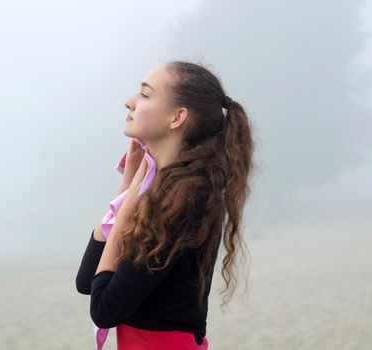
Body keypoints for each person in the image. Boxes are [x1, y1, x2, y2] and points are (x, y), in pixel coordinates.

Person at [76, 61, 255, 349]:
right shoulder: (161, 189)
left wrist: (132, 196)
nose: (129, 102)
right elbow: (87, 281)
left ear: (177, 117)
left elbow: (104, 309)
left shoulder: (186, 200)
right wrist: (127, 186)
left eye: (145, 95)